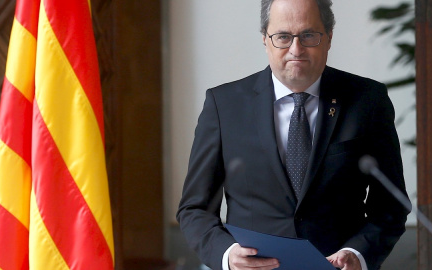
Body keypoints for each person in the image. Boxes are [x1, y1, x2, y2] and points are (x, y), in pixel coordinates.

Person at [176, 0, 410, 269]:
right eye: (283, 37)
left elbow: (391, 206)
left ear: (329, 38)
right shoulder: (223, 105)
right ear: (265, 39)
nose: (296, 50)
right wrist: (227, 255)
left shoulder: (368, 101)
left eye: (309, 35)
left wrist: (357, 254)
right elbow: (194, 209)